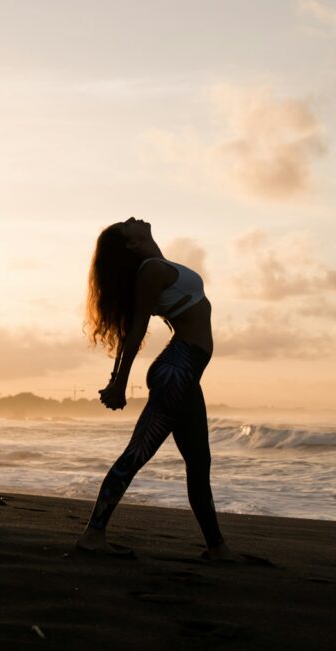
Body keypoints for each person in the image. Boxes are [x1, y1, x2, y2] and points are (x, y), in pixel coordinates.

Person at [77, 217, 237, 561]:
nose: (133, 218)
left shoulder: (157, 266)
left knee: (199, 463)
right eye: (126, 225)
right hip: (176, 373)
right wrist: (119, 383)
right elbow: (134, 332)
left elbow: (131, 330)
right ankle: (93, 536)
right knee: (137, 454)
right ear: (131, 244)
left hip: (182, 374)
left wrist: (119, 379)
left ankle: (218, 548)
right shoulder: (151, 269)